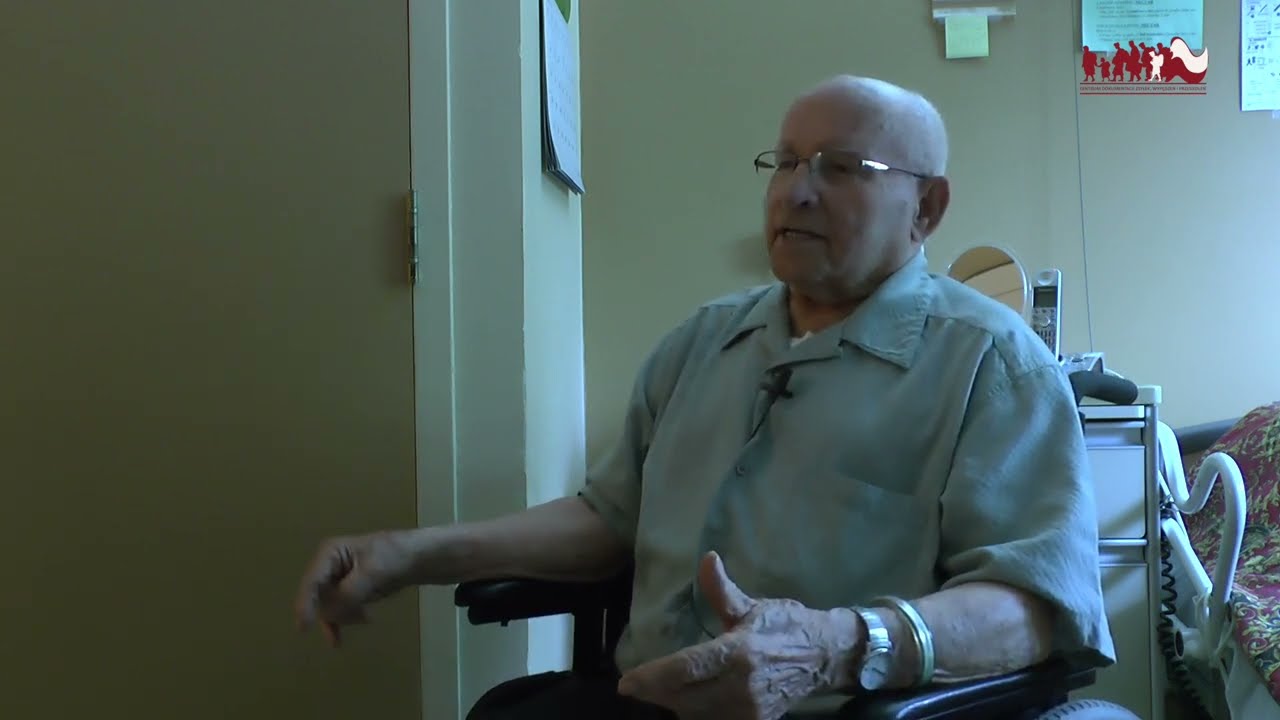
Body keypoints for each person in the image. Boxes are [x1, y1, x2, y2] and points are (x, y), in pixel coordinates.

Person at [294, 75, 1115, 720]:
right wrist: (411, 554)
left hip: (836, 709)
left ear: (926, 208)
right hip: (640, 698)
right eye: (785, 162)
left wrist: (832, 647)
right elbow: (608, 520)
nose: (795, 191)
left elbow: (1032, 609)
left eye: (840, 168)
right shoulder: (703, 341)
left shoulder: (991, 363)